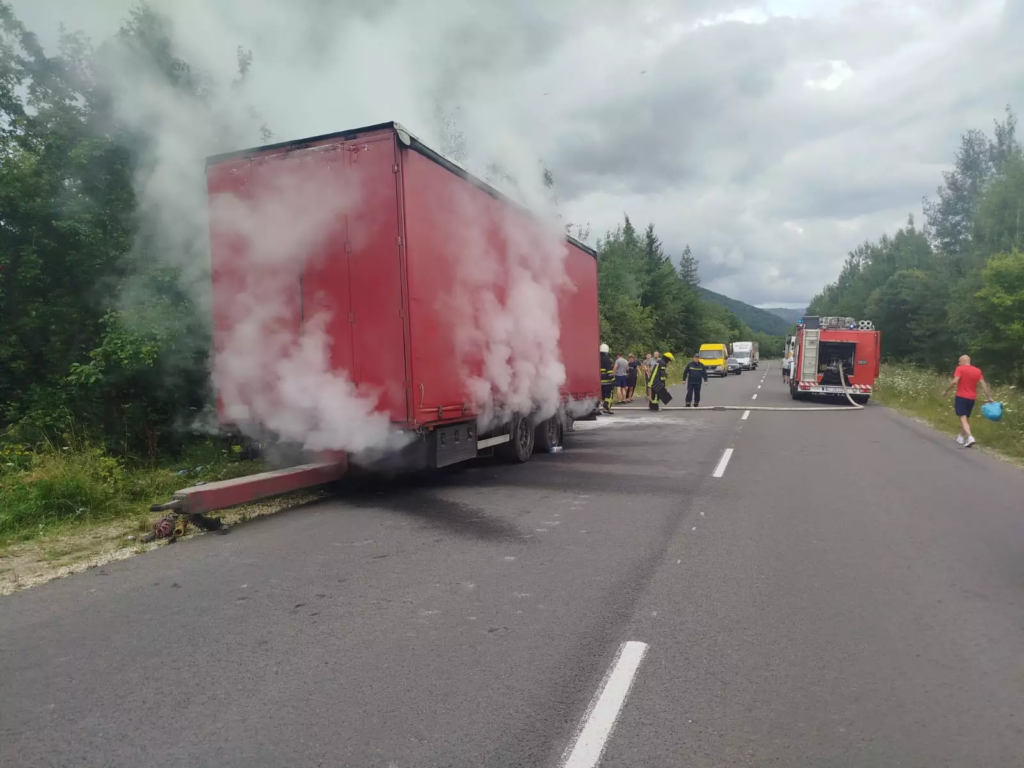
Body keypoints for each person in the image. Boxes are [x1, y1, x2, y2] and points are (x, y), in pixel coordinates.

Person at [941, 354, 993, 448]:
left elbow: (954, 381)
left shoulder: (960, 369)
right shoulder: (977, 371)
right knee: (966, 417)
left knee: (962, 417)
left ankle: (970, 437)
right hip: (972, 398)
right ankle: (961, 437)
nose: (959, 363)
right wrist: (988, 397)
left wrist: (946, 391)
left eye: (959, 361)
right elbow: (983, 384)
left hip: (961, 396)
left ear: (963, 361)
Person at [599, 343, 615, 413]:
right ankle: (606, 407)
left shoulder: (596, 357)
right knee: (609, 394)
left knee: (601, 395)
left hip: (598, 381)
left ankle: (600, 406)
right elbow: (609, 372)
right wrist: (613, 380)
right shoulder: (607, 359)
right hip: (606, 381)